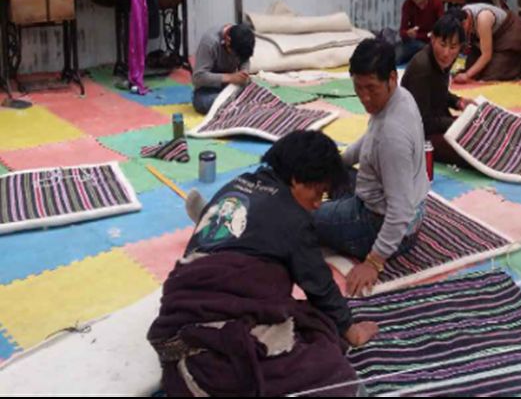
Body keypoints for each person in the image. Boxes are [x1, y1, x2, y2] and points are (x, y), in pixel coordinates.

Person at [148, 131, 378, 396]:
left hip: (178, 309)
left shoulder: (237, 184)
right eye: (317, 193)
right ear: (296, 179)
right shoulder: (294, 218)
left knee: (303, 315)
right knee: (328, 364)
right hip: (216, 312)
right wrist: (351, 330)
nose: (317, 204)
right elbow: (319, 284)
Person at [314, 39, 430, 297]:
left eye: (371, 89)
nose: (365, 97)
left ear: (392, 78)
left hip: (380, 224)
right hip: (409, 209)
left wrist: (374, 261)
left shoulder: (392, 136)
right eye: (358, 88)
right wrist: (339, 163)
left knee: (301, 214)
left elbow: (400, 210)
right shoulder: (401, 97)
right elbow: (370, 138)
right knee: (332, 169)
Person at [401, 12, 474, 167]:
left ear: (459, 47)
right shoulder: (422, 67)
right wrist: (455, 122)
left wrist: (458, 102)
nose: (447, 53)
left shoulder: (445, 59)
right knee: (471, 150)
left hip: (436, 121)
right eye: (442, 44)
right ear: (433, 39)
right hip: (417, 133)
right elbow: (423, 122)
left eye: (453, 47)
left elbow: (438, 91)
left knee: (477, 129)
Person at [454, 3, 521, 83]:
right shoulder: (461, 15)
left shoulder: (482, 19)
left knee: (491, 74)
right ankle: (510, 62)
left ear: (465, 22)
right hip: (488, 39)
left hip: (508, 34)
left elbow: (486, 55)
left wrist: (467, 75)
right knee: (472, 70)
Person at [192, 23, 255, 114]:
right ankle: (239, 105)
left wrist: (244, 72)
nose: (236, 58)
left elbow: (245, 59)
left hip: (232, 86)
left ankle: (238, 105)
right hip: (209, 89)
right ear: (227, 41)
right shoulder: (210, 42)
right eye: (235, 55)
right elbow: (198, 77)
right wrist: (230, 77)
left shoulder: (242, 38)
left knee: (255, 92)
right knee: (203, 102)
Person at [396, 0, 444, 64]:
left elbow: (442, 29)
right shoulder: (408, 5)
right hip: (414, 42)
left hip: (431, 42)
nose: (420, 1)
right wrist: (408, 33)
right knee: (396, 56)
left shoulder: (435, 2)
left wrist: (429, 36)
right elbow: (402, 31)